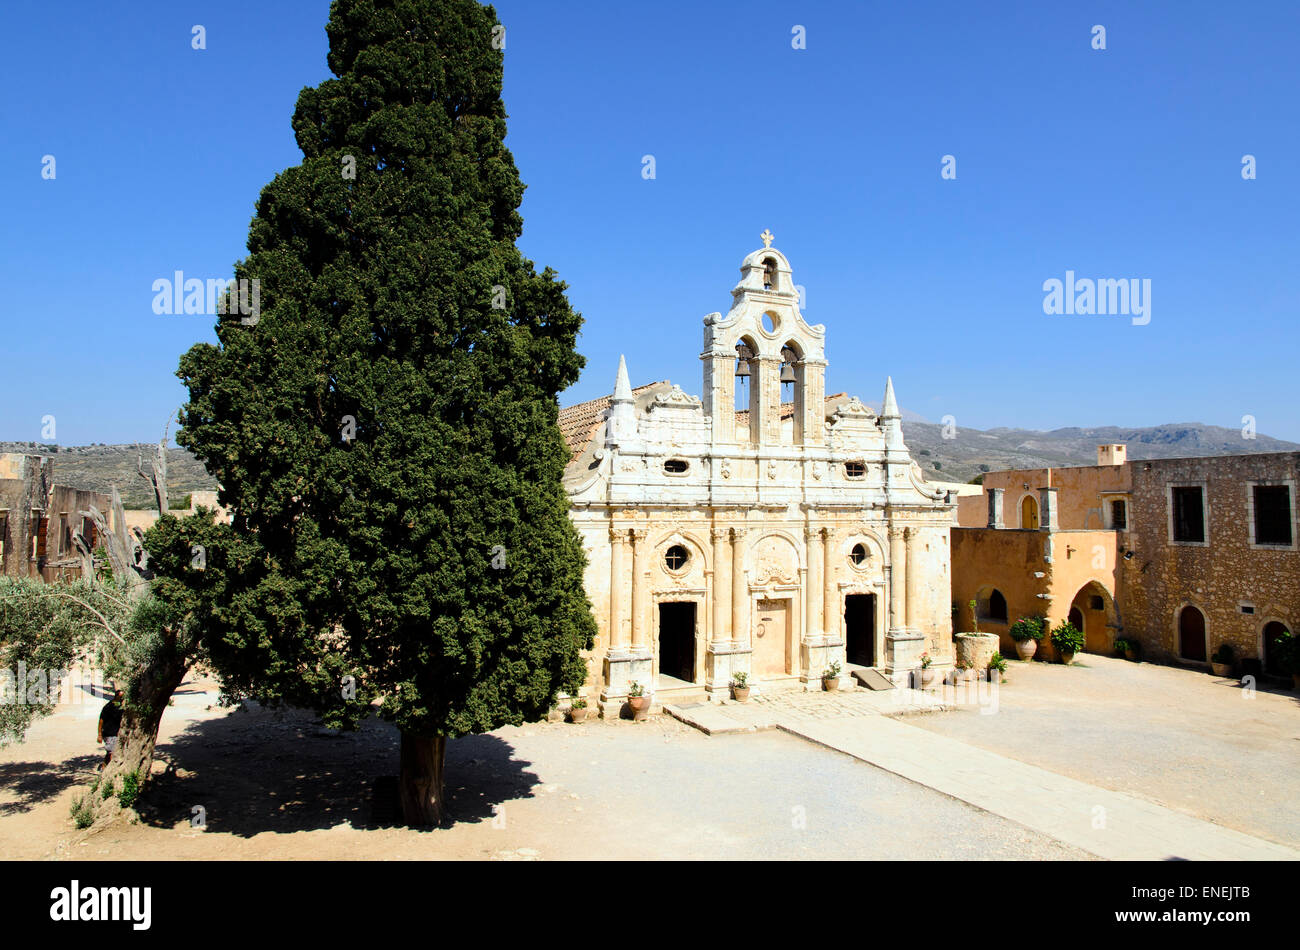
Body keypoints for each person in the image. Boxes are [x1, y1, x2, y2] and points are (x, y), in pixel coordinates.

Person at [97, 688, 124, 769]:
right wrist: (99, 734)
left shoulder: (121, 707)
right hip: (109, 733)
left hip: (117, 733)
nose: (123, 699)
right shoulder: (108, 707)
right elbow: (101, 720)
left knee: (112, 751)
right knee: (111, 752)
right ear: (116, 697)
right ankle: (106, 768)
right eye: (121, 697)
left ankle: (104, 766)